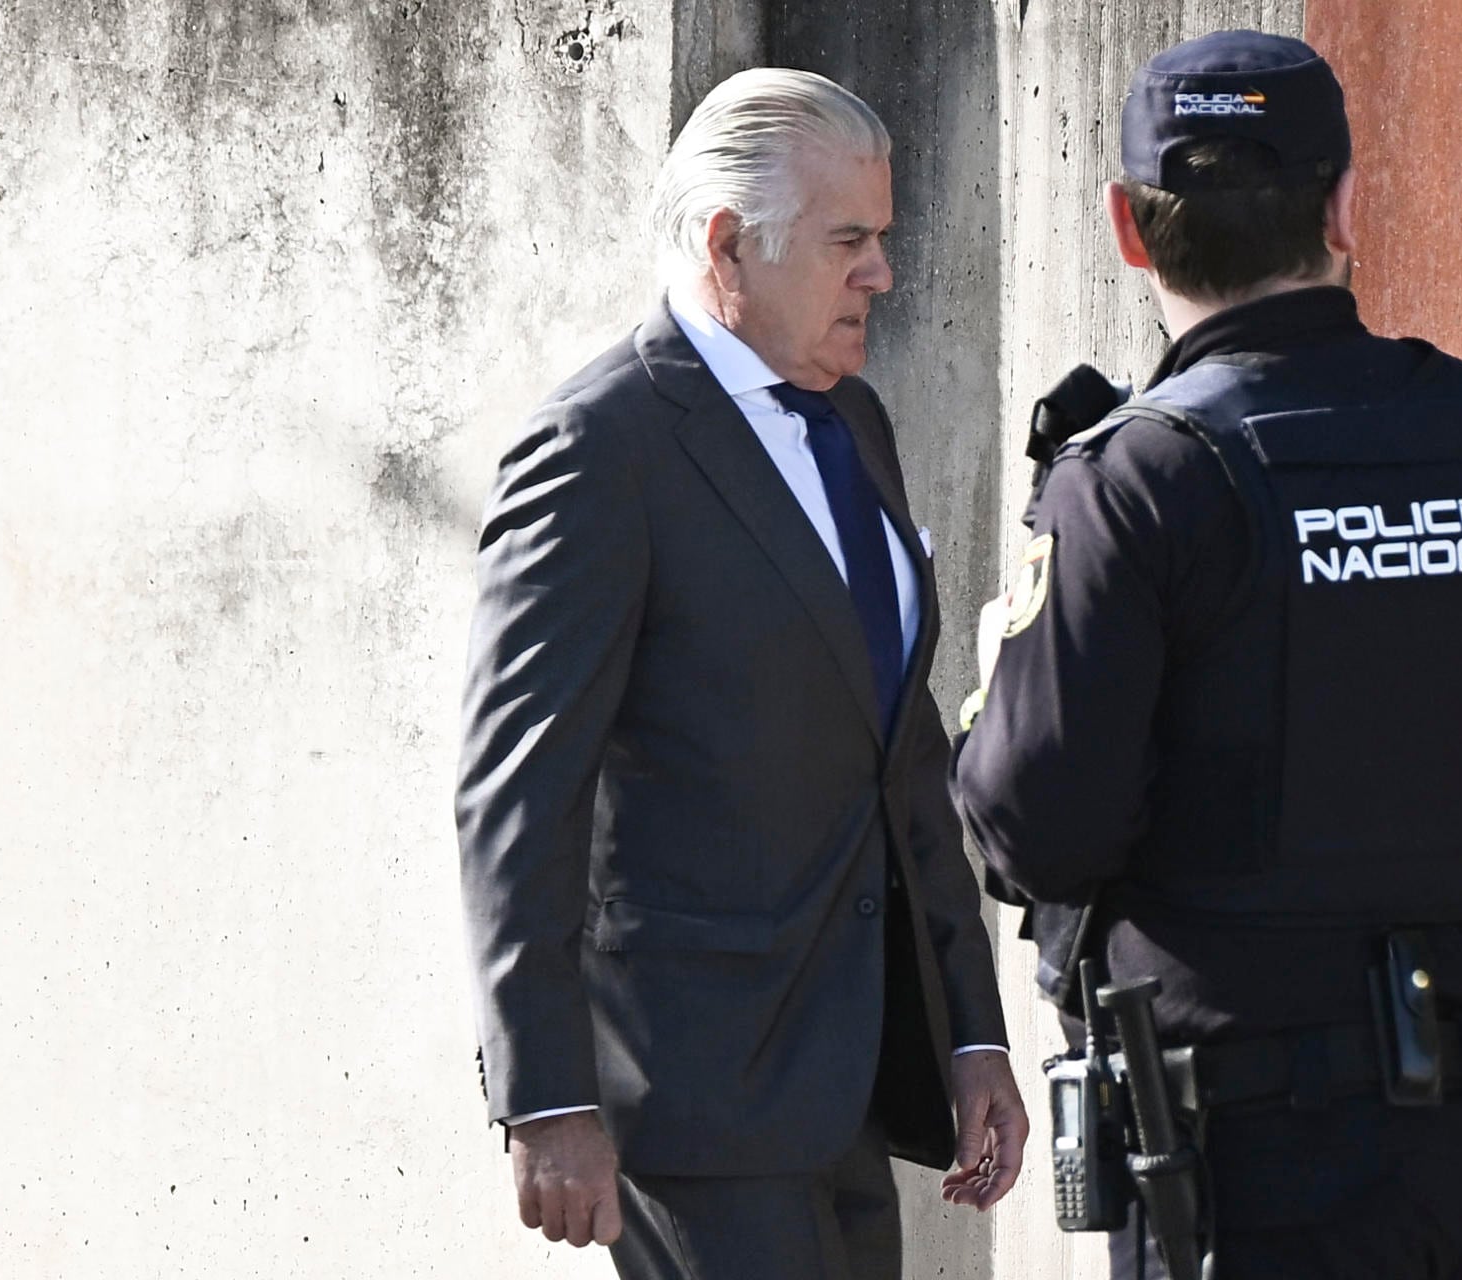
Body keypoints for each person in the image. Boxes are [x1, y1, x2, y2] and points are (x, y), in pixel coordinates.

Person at [951, 29, 1462, 1280]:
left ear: (1129, 227)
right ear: (1347, 206)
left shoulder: (1134, 485)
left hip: (1240, 1165)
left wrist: (998, 705)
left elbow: (1041, 831)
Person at [456, 67, 1027, 1280]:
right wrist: (546, 1092)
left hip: (853, 1085)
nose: (882, 273)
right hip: (694, 1099)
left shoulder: (854, 422)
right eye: (848, 241)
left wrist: (972, 1032)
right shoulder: (597, 450)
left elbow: (904, 759)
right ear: (728, 245)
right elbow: (519, 798)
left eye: (884, 238)